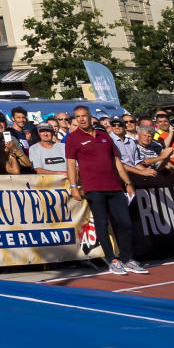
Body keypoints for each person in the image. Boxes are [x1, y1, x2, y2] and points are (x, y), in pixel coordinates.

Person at [64, 105, 146, 276]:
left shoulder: (105, 136)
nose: (81, 119)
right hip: (93, 188)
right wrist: (73, 187)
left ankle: (127, 258)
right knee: (101, 225)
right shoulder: (73, 138)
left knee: (125, 223)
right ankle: (112, 260)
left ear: (90, 116)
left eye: (84, 116)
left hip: (115, 187)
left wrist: (128, 183)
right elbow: (71, 164)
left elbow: (117, 161)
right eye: (78, 117)